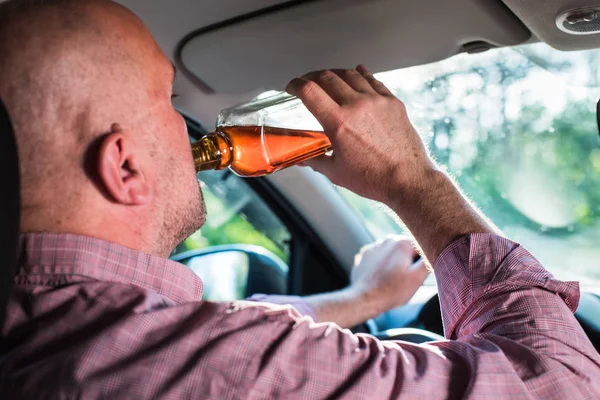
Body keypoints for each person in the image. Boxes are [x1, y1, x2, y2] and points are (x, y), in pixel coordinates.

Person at [0, 0, 598, 398]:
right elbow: (562, 384)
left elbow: (198, 332)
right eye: (167, 98)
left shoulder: (43, 329)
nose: (189, 133)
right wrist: (412, 180)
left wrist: (361, 299)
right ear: (125, 164)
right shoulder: (217, 368)